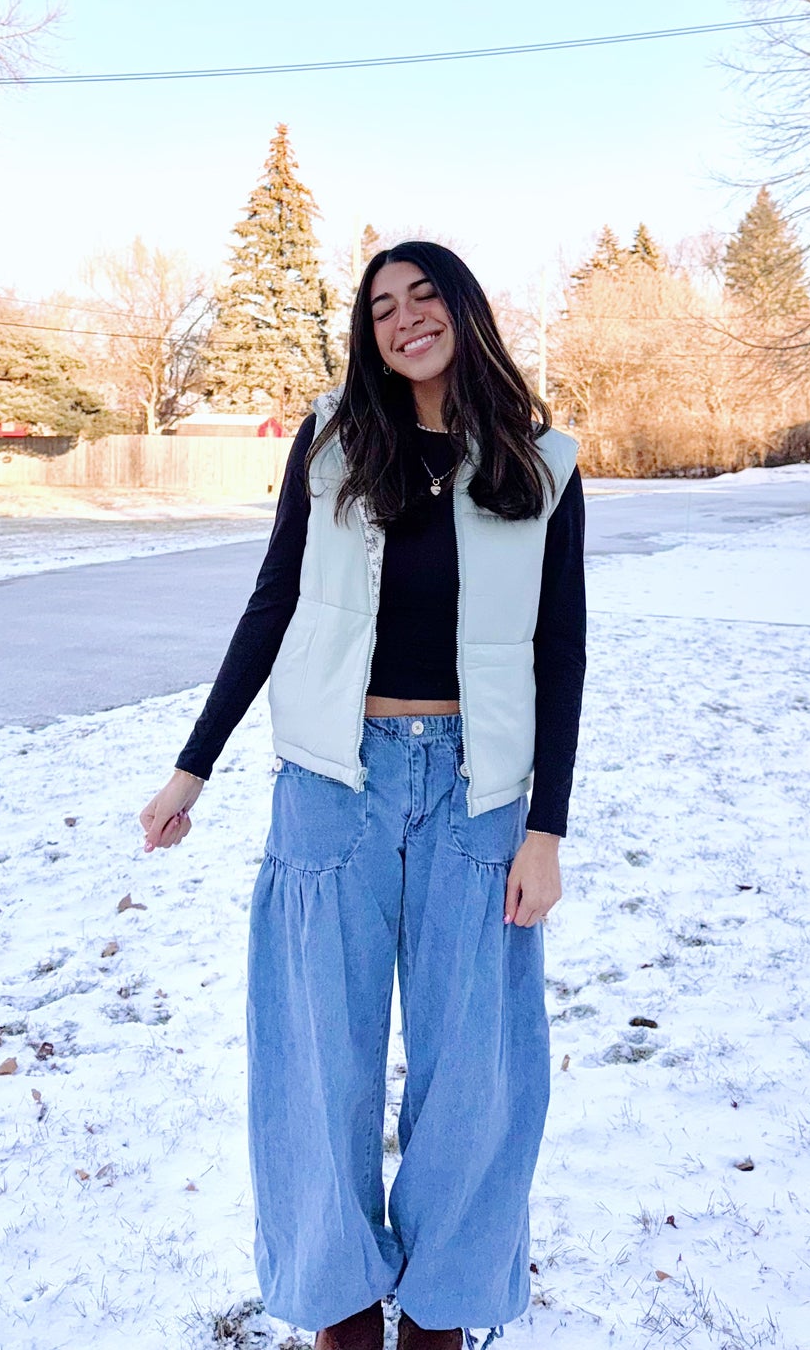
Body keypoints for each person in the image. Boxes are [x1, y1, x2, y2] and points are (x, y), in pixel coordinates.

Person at [141, 242, 587, 1350]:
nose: (402, 319)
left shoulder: (541, 460)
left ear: (463, 309)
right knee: (312, 1056)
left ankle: (439, 1315)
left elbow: (560, 651)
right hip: (332, 785)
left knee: (476, 1069)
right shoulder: (334, 442)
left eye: (422, 295)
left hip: (480, 796)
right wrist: (193, 764)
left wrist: (546, 828)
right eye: (380, 306)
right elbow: (272, 600)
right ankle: (341, 1313)